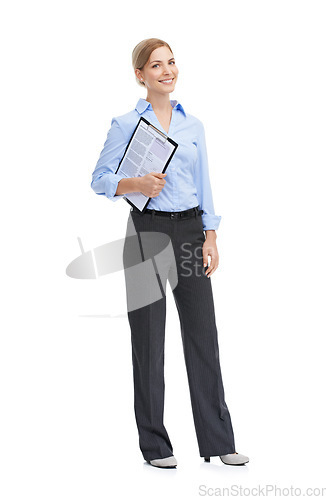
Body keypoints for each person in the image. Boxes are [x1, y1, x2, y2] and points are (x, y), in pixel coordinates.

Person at [91, 38, 249, 469]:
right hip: (147, 231)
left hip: (189, 230)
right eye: (156, 65)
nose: (167, 70)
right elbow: (100, 178)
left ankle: (218, 440)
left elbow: (205, 181)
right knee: (148, 339)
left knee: (203, 335)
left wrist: (210, 236)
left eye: (172, 62)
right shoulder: (125, 124)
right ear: (140, 75)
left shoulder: (192, 125)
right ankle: (156, 447)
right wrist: (136, 184)